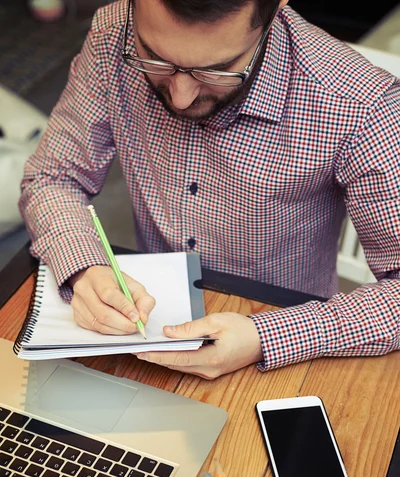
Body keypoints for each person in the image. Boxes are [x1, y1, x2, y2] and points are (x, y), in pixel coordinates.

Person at [19, 0, 400, 379]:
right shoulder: (112, 34)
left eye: (218, 70)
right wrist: (84, 266)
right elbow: (53, 177)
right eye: (154, 57)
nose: (181, 97)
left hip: (279, 336)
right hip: (148, 328)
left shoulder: (361, 105)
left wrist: (266, 336)